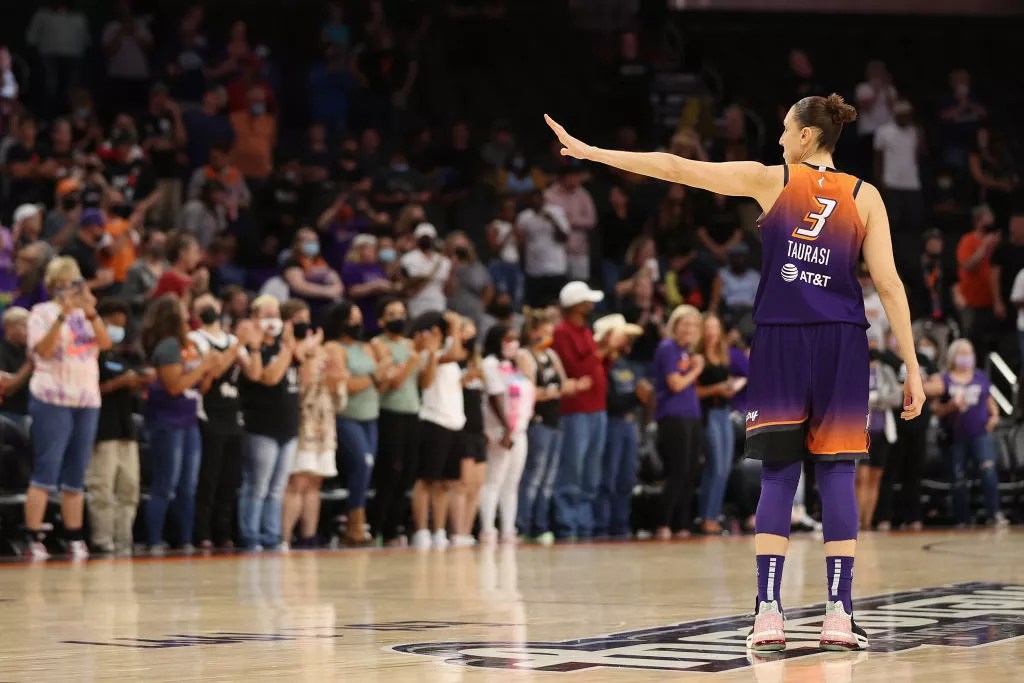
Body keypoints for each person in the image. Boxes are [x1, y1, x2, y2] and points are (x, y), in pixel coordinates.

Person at [546, 90, 925, 652]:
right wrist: (913, 367)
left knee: (778, 475)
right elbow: (890, 285)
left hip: (780, 341)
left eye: (783, 130)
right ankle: (838, 615)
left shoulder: (771, 179)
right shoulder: (865, 196)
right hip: (842, 342)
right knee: (838, 476)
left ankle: (768, 612)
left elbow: (675, 168)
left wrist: (592, 151)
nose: (777, 139)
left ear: (804, 136)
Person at [24, 257, 113, 559]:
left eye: (73, 283)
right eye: (63, 285)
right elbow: (43, 351)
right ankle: (33, 536)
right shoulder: (41, 313)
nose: (69, 290)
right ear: (53, 287)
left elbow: (104, 344)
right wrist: (62, 316)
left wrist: (91, 313)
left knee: (76, 474)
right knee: (46, 470)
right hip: (52, 398)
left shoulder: (85, 315)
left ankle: (74, 536)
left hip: (86, 399)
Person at [141, 295, 213, 552]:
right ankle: (153, 540)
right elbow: (173, 387)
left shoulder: (188, 344)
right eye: (183, 309)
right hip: (167, 421)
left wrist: (206, 373)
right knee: (165, 483)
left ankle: (184, 539)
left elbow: (197, 385)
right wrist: (203, 366)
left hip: (188, 419)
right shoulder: (168, 346)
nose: (187, 313)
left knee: (188, 485)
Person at [237, 296, 307, 551]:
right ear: (254, 318)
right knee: (258, 485)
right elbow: (265, 377)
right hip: (261, 425)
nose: (272, 321)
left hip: (288, 425)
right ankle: (251, 535)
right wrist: (286, 350)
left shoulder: (286, 347)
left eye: (275, 315)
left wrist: (298, 347)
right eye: (265, 315)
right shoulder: (249, 349)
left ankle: (272, 535)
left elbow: (306, 378)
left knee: (277, 488)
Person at [189, 293, 258, 551]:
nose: (209, 309)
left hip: (233, 412)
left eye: (212, 305)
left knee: (230, 478)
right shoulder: (195, 339)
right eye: (202, 306)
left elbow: (253, 372)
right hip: (208, 413)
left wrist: (254, 346)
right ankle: (203, 531)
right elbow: (213, 371)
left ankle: (224, 531)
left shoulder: (230, 340)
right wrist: (239, 343)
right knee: (209, 476)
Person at [551, 281, 619, 540]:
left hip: (597, 408)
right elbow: (572, 369)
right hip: (576, 409)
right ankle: (567, 524)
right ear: (577, 305)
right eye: (587, 301)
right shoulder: (562, 333)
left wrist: (607, 354)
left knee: (591, 469)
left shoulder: (586, 331)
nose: (592, 305)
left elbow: (596, 369)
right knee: (573, 467)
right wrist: (602, 351)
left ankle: (585, 523)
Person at [84, 298, 148, 555]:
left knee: (129, 486)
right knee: (102, 486)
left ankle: (124, 539)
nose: (117, 329)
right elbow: (89, 390)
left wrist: (137, 382)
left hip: (125, 427)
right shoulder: (90, 354)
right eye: (112, 323)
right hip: (103, 427)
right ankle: (102, 538)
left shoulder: (121, 355)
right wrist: (117, 384)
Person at [327, 300, 391, 546]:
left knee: (367, 467)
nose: (357, 324)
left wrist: (384, 372)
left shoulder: (367, 348)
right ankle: (355, 520)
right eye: (352, 320)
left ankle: (354, 519)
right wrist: (375, 376)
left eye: (359, 319)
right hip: (347, 416)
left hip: (371, 416)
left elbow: (380, 385)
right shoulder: (334, 347)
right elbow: (346, 386)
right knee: (362, 463)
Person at [517, 308, 581, 545]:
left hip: (556, 419)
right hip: (538, 421)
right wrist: (554, 391)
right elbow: (529, 391)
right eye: (544, 332)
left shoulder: (552, 355)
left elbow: (563, 383)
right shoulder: (524, 355)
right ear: (533, 333)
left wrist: (574, 386)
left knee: (548, 478)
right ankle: (523, 523)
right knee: (534, 475)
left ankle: (541, 524)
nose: (548, 337)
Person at [370, 299, 428, 546]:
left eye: (402, 313)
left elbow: (423, 383)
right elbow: (394, 381)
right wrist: (414, 358)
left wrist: (430, 354)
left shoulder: (410, 345)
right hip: (389, 412)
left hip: (412, 412)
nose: (398, 318)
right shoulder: (377, 344)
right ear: (381, 320)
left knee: (407, 473)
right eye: (392, 314)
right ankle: (378, 527)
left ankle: (396, 526)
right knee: (390, 471)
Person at [933, 339, 1007, 528]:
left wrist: (995, 416)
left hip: (980, 433)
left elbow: (990, 401)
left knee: (988, 472)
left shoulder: (981, 376)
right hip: (955, 436)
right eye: (962, 353)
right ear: (953, 357)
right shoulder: (945, 379)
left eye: (969, 353)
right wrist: (950, 406)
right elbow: (936, 409)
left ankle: (994, 513)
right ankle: (962, 518)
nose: (966, 357)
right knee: (958, 477)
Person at [409, 311, 466, 550]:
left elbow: (458, 353)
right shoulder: (425, 354)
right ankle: (421, 530)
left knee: (445, 482)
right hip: (433, 421)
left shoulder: (448, 355)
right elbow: (426, 381)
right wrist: (454, 326)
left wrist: (454, 328)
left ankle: (439, 529)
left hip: (454, 421)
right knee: (426, 480)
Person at [280, 299, 334, 549]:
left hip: (323, 421)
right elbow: (302, 384)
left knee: (315, 481)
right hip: (301, 419)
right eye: (298, 320)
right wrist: (306, 352)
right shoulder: (286, 350)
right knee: (297, 481)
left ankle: (309, 536)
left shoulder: (320, 350)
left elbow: (333, 383)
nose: (305, 325)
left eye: (307, 319)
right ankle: (284, 537)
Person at [477, 324, 536, 544]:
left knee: (512, 482)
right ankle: (487, 528)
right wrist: (505, 428)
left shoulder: (515, 367)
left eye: (515, 338)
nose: (513, 343)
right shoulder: (490, 364)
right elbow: (495, 397)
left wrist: (525, 365)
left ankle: (508, 528)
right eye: (507, 339)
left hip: (519, 429)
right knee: (494, 479)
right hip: (499, 429)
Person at [652, 305, 705, 540]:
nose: (689, 329)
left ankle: (682, 524)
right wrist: (696, 370)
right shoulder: (668, 348)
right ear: (675, 325)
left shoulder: (686, 351)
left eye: (694, 325)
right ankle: (663, 522)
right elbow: (675, 384)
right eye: (685, 324)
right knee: (678, 470)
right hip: (673, 415)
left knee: (691, 471)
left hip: (691, 414)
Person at [594, 314, 649, 539]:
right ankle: (602, 526)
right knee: (609, 477)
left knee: (626, 478)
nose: (627, 342)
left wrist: (640, 398)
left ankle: (621, 525)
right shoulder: (602, 364)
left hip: (630, 424)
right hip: (612, 423)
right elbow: (611, 402)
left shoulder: (628, 364)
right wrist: (637, 397)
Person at [695, 313, 749, 535]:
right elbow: (695, 391)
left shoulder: (726, 354)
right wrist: (716, 389)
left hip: (724, 411)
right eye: (707, 327)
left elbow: (747, 372)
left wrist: (731, 385)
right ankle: (706, 516)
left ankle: (713, 515)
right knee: (715, 466)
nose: (711, 332)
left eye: (715, 327)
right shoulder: (697, 355)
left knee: (724, 468)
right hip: (707, 412)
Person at [449, 319, 487, 548]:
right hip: (461, 427)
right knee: (461, 484)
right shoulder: (454, 361)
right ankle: (458, 530)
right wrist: (466, 379)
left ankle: (467, 530)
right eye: (466, 332)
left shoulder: (477, 362)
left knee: (476, 484)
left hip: (478, 428)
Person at [856, 344, 902, 531]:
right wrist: (871, 400)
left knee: (876, 478)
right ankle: (856, 521)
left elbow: (896, 398)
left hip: (882, 431)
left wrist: (877, 400)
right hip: (861, 431)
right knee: (861, 477)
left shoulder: (886, 372)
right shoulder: (855, 370)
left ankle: (867, 522)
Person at [400, 223, 450, 318]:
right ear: (416, 239)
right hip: (416, 307)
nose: (426, 241)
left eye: (428, 238)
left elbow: (448, 289)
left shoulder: (444, 261)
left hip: (438, 306)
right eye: (423, 238)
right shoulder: (407, 259)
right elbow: (405, 285)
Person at [0, 306, 32, 430]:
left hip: (31, 412)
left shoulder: (29, 350)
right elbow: (6, 388)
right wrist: (30, 365)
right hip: (8, 414)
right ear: (9, 327)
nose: (28, 330)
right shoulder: (1, 350)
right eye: (24, 326)